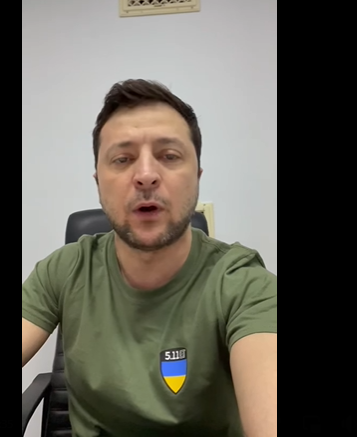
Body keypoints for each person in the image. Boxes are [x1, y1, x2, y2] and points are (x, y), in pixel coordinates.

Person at [22, 79, 277, 437]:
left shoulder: (243, 283)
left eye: (169, 156)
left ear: (197, 178)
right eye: (122, 159)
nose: (145, 176)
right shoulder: (64, 270)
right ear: (98, 182)